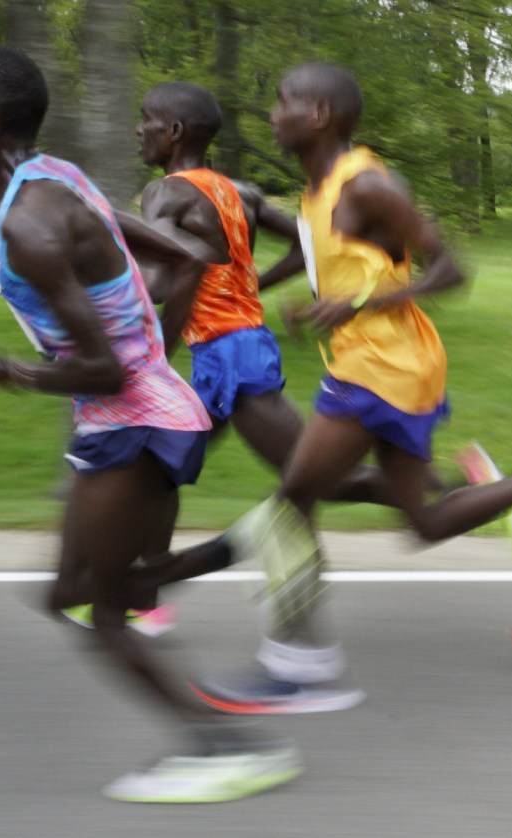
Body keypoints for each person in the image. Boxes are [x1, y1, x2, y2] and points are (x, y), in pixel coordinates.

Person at [0, 44, 302, 803]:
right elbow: (192, 255)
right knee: (85, 592)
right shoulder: (55, 178)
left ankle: (223, 750)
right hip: (142, 417)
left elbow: (104, 369)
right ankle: (248, 543)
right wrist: (152, 353)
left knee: (97, 608)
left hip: (132, 425)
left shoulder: (31, 222)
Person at [131, 81, 433, 713]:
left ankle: (450, 497)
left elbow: (160, 280)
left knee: (302, 490)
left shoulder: (163, 193)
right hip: (226, 350)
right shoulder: (238, 191)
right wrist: (248, 285)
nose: (140, 131)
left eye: (147, 121)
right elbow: (302, 242)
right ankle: (143, 596)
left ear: (175, 132)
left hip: (233, 356)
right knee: (162, 466)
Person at [260, 61, 512, 651]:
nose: (272, 114)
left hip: (384, 368)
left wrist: (365, 304)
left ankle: (299, 662)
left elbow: (453, 270)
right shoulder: (316, 191)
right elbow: (339, 268)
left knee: (294, 499)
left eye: (283, 102)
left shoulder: (367, 185)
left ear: (320, 115)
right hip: (382, 363)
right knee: (421, 526)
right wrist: (314, 304)